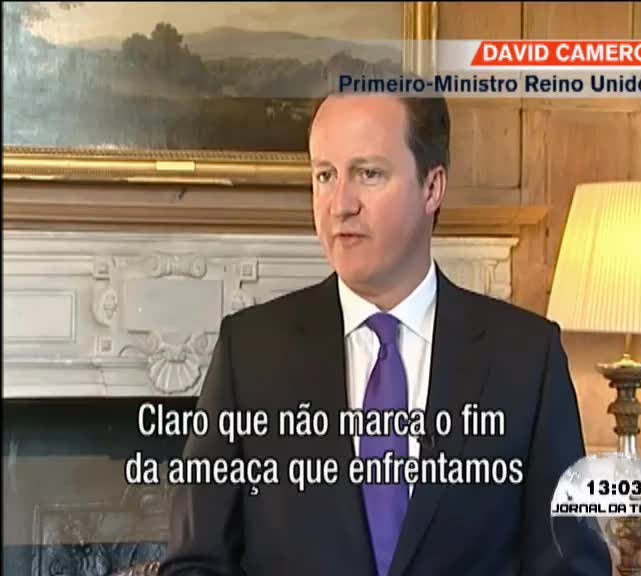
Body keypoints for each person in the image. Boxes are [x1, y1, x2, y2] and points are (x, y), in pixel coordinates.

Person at [158, 92, 611, 575]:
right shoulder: (249, 353)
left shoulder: (526, 359)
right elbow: (196, 563)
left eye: (368, 174)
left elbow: (572, 566)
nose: (340, 204)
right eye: (324, 175)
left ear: (432, 187)